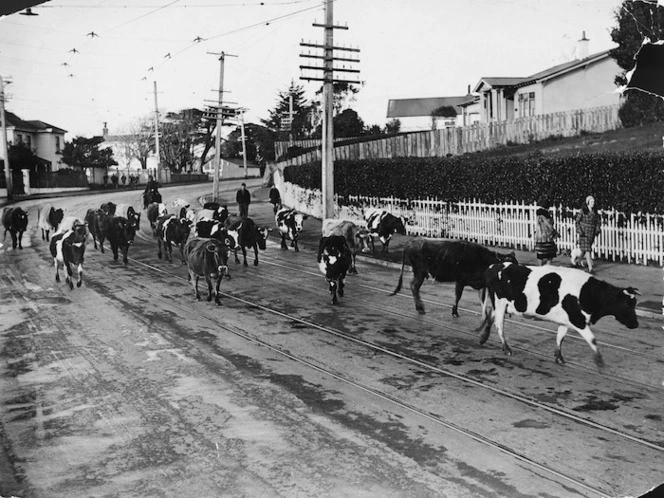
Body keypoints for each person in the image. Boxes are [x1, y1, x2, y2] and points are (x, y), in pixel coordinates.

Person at [573, 195, 602, 273]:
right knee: (588, 250)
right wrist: (580, 231)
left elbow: (598, 222)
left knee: (584, 250)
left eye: (594, 202)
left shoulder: (595, 212)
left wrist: (597, 229)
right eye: (591, 202)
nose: (593, 203)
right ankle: (590, 268)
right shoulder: (583, 211)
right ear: (587, 203)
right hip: (583, 233)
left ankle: (577, 262)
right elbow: (577, 222)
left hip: (591, 234)